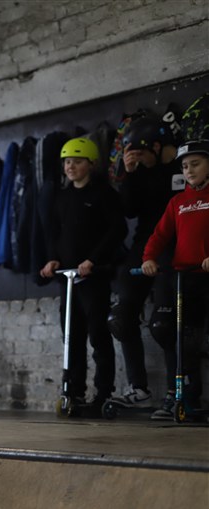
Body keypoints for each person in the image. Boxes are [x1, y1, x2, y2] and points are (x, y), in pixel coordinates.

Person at [40, 138, 127, 413]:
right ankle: (73, 390)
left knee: (98, 334)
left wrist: (94, 260)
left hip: (94, 277)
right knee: (71, 336)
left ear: (91, 164)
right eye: (67, 162)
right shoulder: (62, 197)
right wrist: (52, 258)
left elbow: (118, 230)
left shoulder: (104, 194)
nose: (71, 166)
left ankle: (103, 392)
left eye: (77, 161)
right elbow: (55, 233)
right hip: (68, 279)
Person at [107, 118, 182, 410]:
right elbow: (129, 210)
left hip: (173, 246)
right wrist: (128, 174)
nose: (138, 158)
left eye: (141, 153)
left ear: (157, 147)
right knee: (120, 317)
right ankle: (138, 389)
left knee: (164, 323)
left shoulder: (180, 170)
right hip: (143, 245)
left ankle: (177, 391)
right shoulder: (137, 173)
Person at [141, 139, 209, 419]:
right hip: (183, 279)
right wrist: (149, 257)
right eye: (185, 166)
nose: (189, 170)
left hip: (206, 277)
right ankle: (183, 397)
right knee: (177, 336)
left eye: (196, 164)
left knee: (198, 338)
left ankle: (191, 398)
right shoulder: (178, 202)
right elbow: (160, 234)